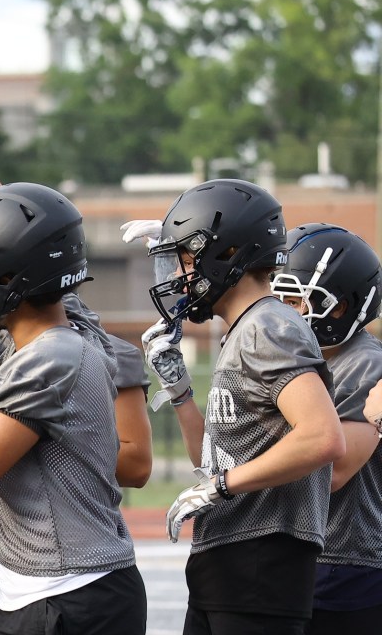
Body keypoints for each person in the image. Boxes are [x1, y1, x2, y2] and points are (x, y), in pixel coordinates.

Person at [0, 182, 146, 634]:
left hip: (67, 593)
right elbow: (32, 230)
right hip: (64, 588)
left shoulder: (47, 359)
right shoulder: (65, 335)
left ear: (9, 278)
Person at [0, 92, 153, 487]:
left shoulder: (57, 352)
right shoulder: (53, 318)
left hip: (65, 546)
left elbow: (135, 465)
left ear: (13, 278)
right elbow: (12, 225)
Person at [141, 179, 345, 634]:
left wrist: (223, 487)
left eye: (189, 260)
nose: (181, 275)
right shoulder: (245, 330)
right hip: (232, 559)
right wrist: (178, 391)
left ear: (228, 255)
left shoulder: (267, 327)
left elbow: (322, 436)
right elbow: (211, 462)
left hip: (261, 560)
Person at [270, 223, 382, 634]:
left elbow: (331, 471)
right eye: (279, 296)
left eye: (298, 299)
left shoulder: (363, 364)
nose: (284, 310)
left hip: (343, 559)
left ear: (341, 306)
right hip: (297, 553)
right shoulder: (298, 356)